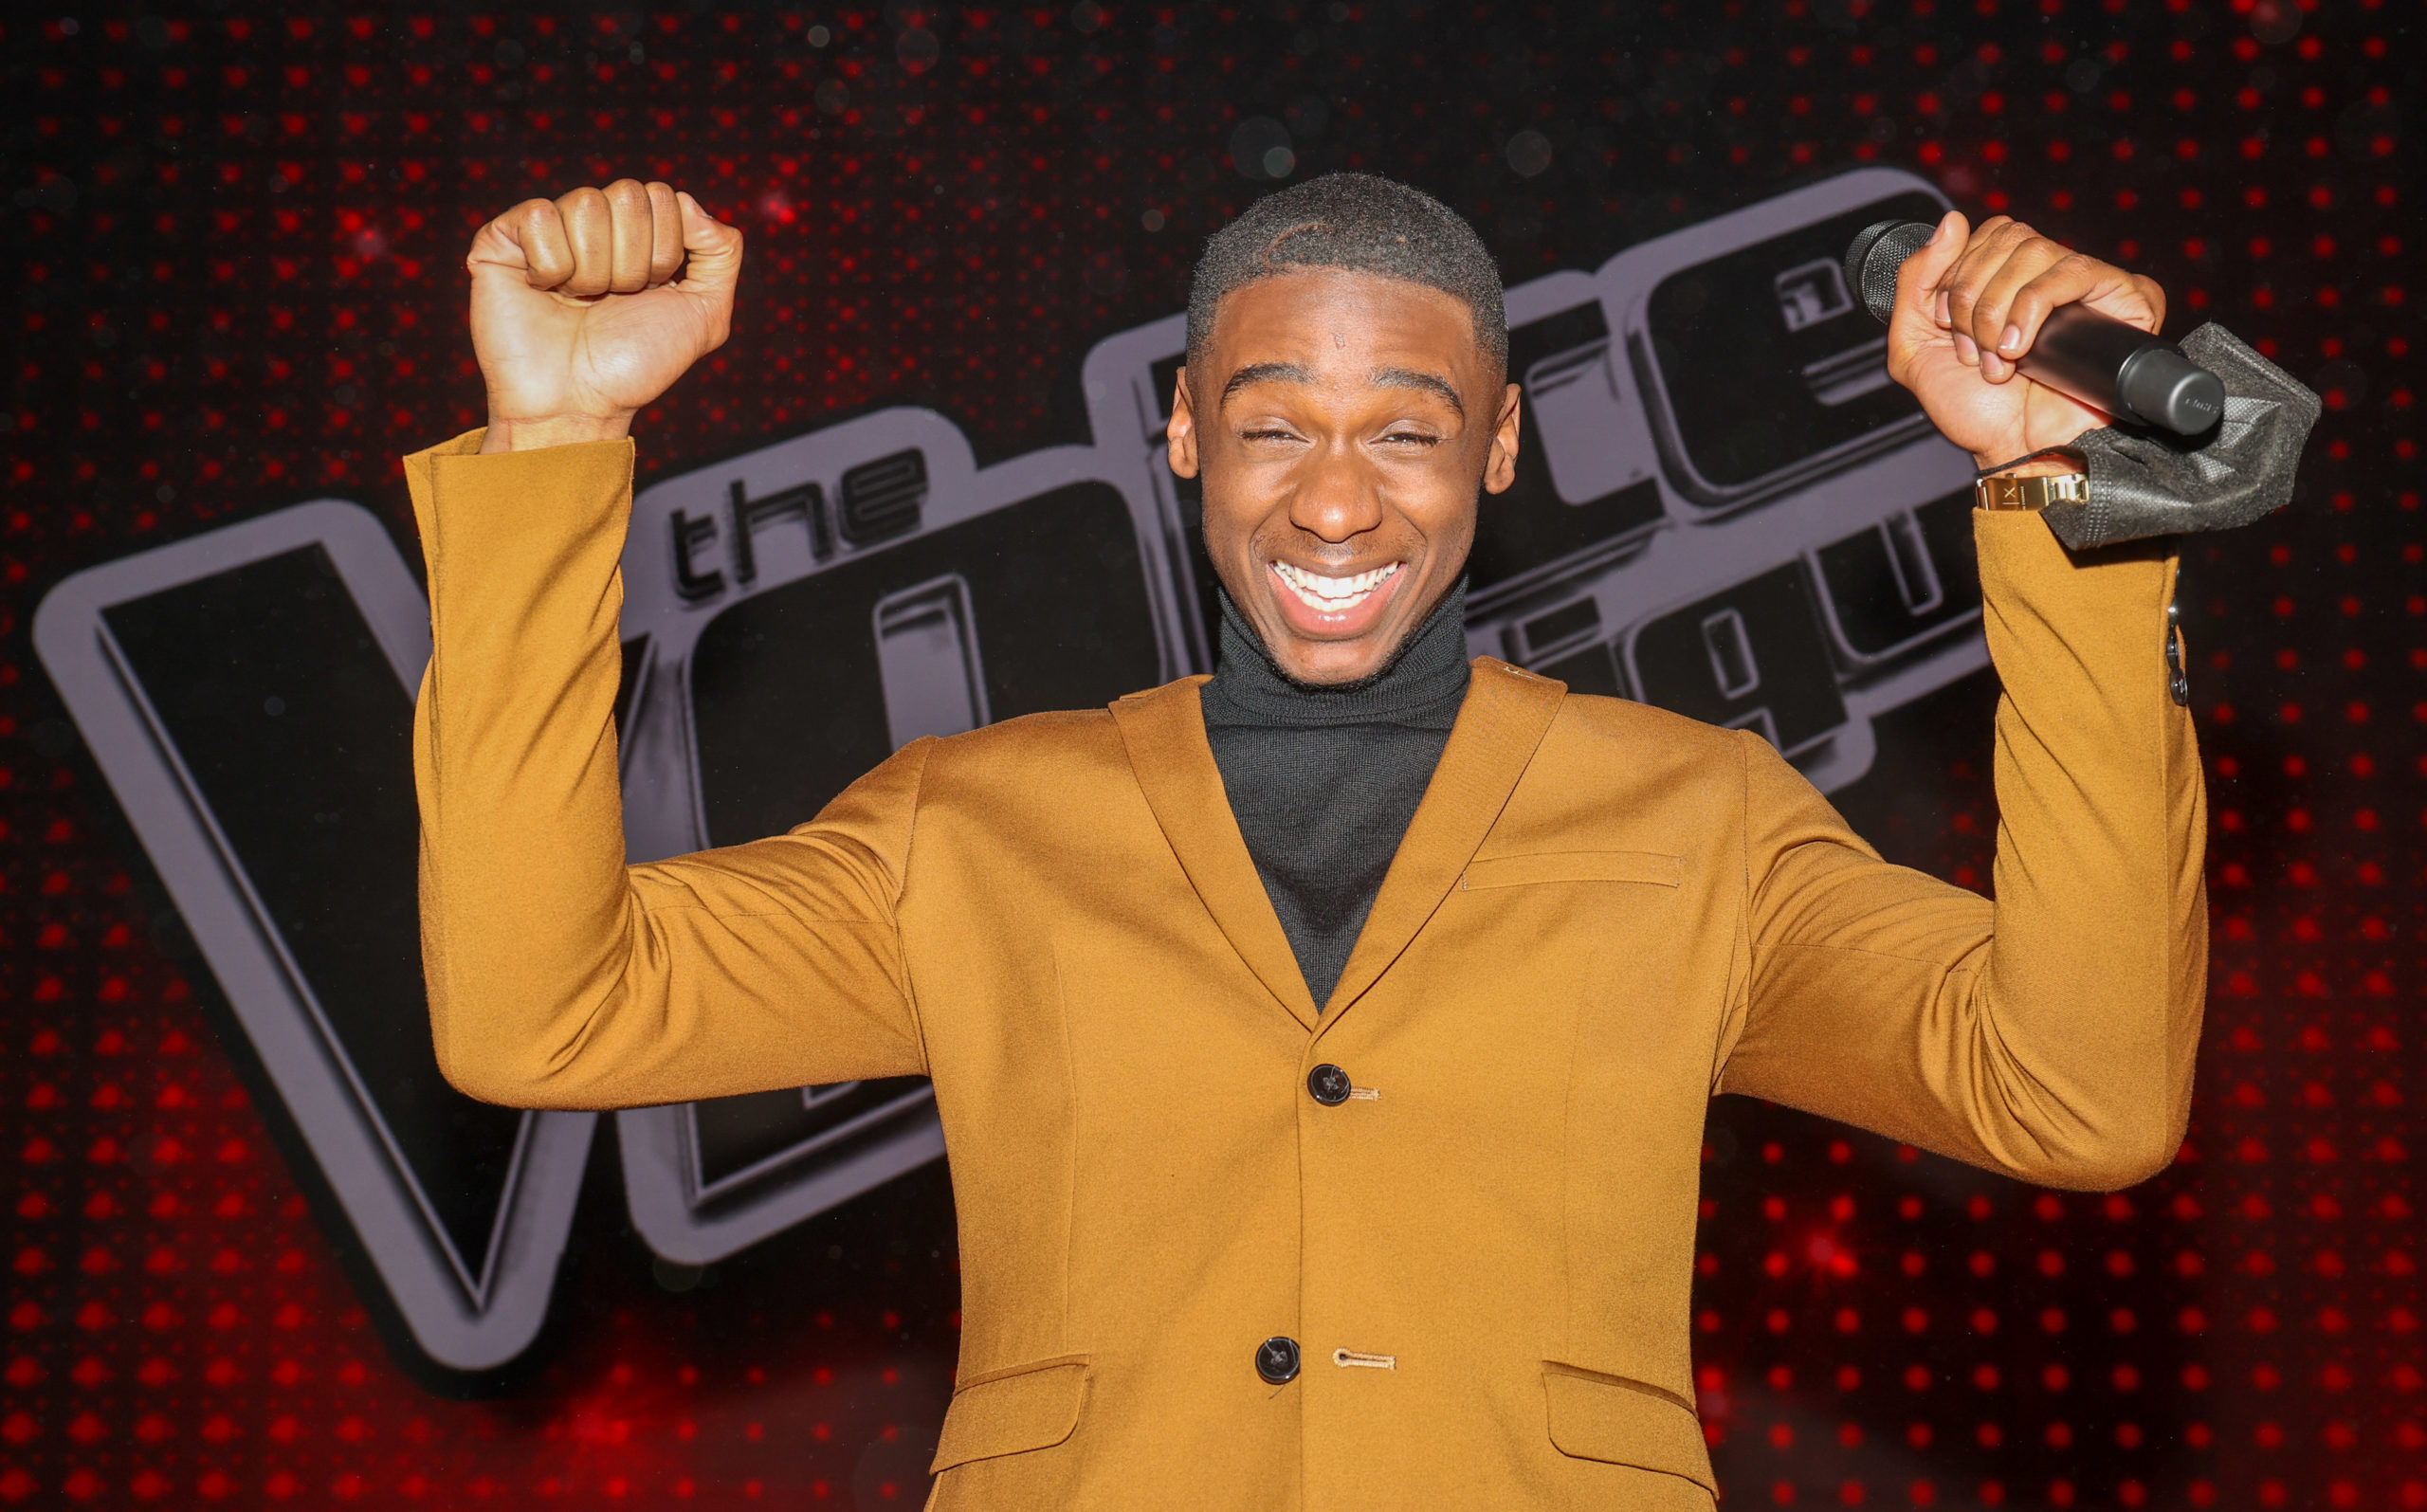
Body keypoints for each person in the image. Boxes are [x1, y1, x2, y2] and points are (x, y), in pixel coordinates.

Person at [406, 173, 2204, 1508]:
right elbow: (541, 1012)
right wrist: (553, 435)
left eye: (1408, 433)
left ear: (1502, 445)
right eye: (1272, 424)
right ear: (1187, 431)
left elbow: (2081, 1094)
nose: (1335, 501)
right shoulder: (971, 826)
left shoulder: (1702, 819)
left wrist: (2061, 500)